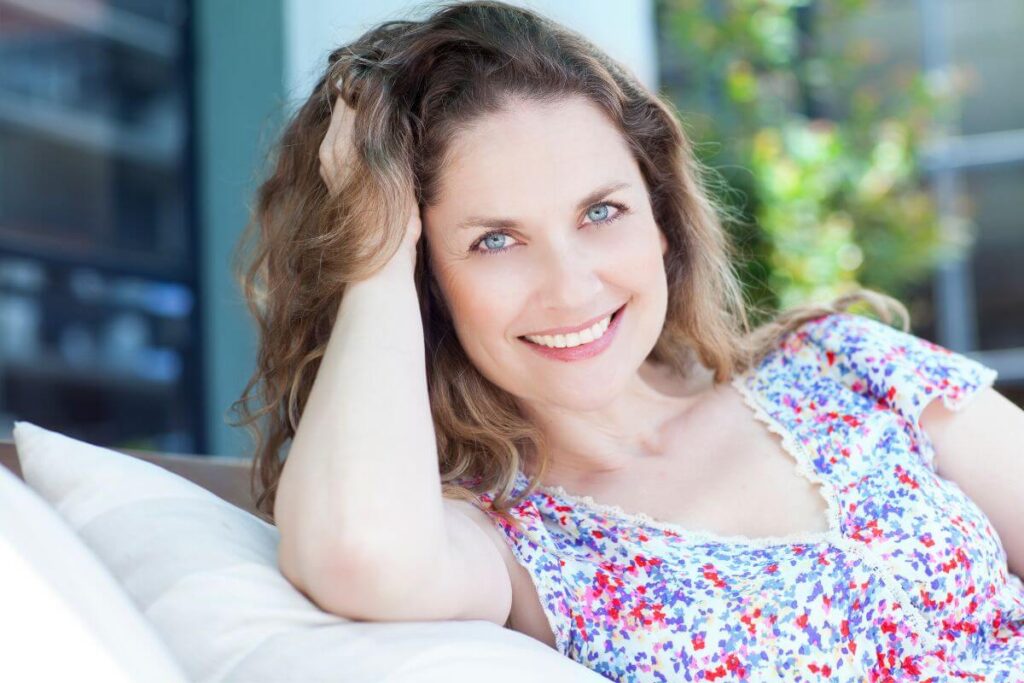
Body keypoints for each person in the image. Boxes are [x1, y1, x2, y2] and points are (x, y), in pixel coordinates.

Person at [229, 1, 1024, 680]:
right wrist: (372, 254)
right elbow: (358, 555)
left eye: (600, 212)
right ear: (423, 284)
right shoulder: (507, 540)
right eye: (495, 241)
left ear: (661, 217)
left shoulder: (841, 366)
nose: (572, 286)